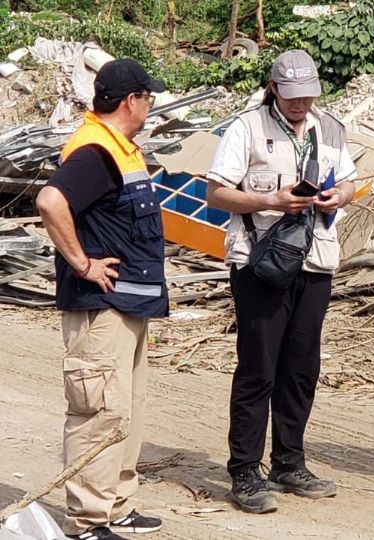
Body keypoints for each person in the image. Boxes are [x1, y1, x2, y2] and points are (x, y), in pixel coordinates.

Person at [205, 49, 357, 514]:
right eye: (292, 96)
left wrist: (336, 196)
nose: (300, 104)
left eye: (308, 95)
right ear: (273, 88)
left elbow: (351, 181)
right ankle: (244, 471)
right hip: (260, 262)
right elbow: (215, 193)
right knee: (258, 368)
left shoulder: (329, 126)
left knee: (301, 367)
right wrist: (270, 198)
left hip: (314, 260)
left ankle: (289, 462)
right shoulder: (246, 128)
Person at [36, 59, 168, 540]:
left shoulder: (121, 149)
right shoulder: (95, 152)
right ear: (131, 100)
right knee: (99, 413)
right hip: (100, 308)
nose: (150, 106)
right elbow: (51, 202)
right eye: (147, 98)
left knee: (124, 410)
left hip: (127, 306)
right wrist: (82, 263)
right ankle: (88, 521)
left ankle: (116, 505)